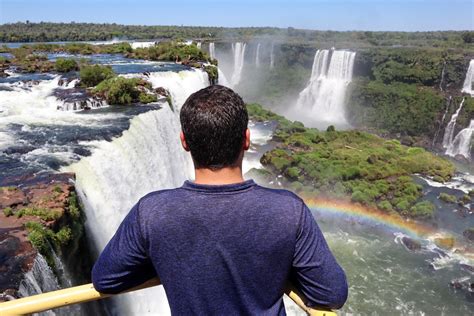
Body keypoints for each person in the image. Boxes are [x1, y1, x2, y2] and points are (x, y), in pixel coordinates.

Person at [92, 85, 348, 315]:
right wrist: (280, 266)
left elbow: (105, 279)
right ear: (247, 140)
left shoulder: (151, 213)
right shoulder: (289, 211)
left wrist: (167, 261)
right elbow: (331, 294)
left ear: (185, 143)